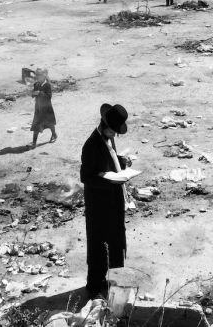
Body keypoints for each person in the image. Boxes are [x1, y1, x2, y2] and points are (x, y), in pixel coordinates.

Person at [81, 103, 133, 297]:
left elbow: (109, 158)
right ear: (104, 125)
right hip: (99, 206)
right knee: (99, 247)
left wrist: (121, 162)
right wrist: (110, 182)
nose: (114, 135)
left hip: (113, 202)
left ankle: (115, 283)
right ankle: (94, 287)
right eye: (113, 131)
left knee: (116, 243)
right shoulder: (91, 145)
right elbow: (86, 177)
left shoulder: (108, 138)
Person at [30, 69, 57, 148]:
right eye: (36, 76)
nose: (37, 77)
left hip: (47, 109)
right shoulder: (36, 84)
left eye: (39, 75)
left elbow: (49, 97)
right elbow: (33, 95)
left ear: (44, 76)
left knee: (50, 124)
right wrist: (33, 94)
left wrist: (40, 93)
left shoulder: (47, 85)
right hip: (38, 108)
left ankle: (54, 134)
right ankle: (34, 143)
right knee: (36, 126)